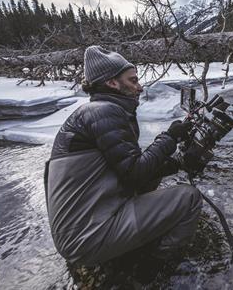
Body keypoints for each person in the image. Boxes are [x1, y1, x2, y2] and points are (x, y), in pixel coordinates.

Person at [44, 45, 202, 266]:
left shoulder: (96, 110)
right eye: (133, 80)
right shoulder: (104, 112)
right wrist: (170, 138)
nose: (140, 87)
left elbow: (125, 168)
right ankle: (158, 264)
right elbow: (135, 173)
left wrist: (176, 164)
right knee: (190, 198)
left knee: (152, 177)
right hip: (85, 240)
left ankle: (131, 244)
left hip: (79, 231)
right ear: (112, 82)